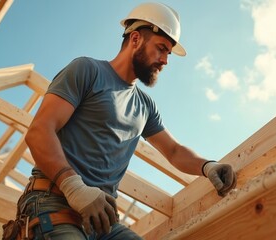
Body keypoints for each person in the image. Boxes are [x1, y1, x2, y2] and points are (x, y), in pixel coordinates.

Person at [13, 2, 237, 239]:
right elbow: (39, 131)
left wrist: (207, 166)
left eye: (168, 53)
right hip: (53, 201)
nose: (165, 61)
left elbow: (173, 150)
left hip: (101, 221)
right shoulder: (87, 71)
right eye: (161, 48)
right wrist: (74, 187)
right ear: (136, 39)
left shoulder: (145, 106)